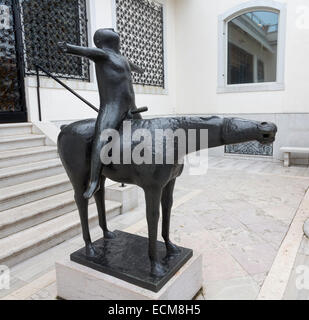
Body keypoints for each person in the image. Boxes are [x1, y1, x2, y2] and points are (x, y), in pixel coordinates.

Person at [58, 28, 143, 199]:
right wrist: (68, 47)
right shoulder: (103, 54)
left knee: (144, 135)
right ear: (106, 41)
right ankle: (94, 180)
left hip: (131, 107)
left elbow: (135, 68)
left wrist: (140, 70)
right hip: (112, 107)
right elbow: (84, 51)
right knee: (102, 137)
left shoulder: (123, 59)